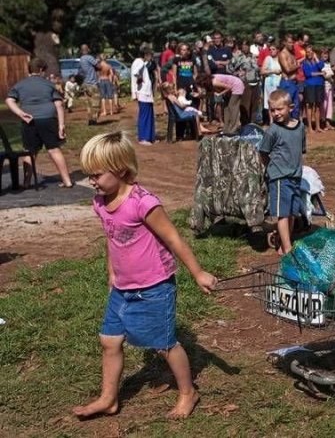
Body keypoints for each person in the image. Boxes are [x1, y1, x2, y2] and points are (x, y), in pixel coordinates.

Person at [71, 131, 218, 420]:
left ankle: (189, 392)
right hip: (122, 287)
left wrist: (198, 272)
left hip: (154, 287)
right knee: (109, 340)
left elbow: (174, 238)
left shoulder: (143, 202)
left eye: (97, 174)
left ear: (122, 170)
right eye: (89, 175)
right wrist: (111, 270)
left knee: (163, 344)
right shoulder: (101, 202)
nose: (92, 181)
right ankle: (109, 398)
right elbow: (111, 238)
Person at [4, 58, 74, 188]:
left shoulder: (20, 84)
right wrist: (61, 125)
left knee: (30, 151)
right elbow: (59, 104)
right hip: (48, 119)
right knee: (54, 150)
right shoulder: (49, 84)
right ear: (41, 70)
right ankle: (67, 181)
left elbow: (9, 100)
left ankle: (26, 182)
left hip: (29, 120)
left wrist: (20, 113)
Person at [258, 90, 306, 255]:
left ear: (290, 107)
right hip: (279, 178)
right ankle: (287, 248)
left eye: (280, 109)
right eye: (272, 110)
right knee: (282, 214)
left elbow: (301, 150)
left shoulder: (300, 127)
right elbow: (263, 152)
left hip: (295, 176)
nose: (276, 113)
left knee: (292, 213)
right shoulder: (273, 131)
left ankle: (284, 244)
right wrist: (272, 168)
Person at [131, 47, 157, 145]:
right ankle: (144, 138)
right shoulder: (140, 62)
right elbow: (135, 72)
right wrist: (140, 78)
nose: (151, 57)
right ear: (146, 55)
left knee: (148, 114)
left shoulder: (138, 62)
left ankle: (150, 137)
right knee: (145, 115)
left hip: (145, 92)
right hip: (143, 92)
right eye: (150, 55)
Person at [301, 44, 326, 132]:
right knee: (310, 105)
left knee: (318, 106)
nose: (309, 53)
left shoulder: (317, 61)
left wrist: (316, 58)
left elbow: (321, 66)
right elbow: (308, 74)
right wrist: (320, 74)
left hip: (319, 84)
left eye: (311, 51)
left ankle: (318, 126)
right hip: (310, 85)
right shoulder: (304, 63)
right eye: (307, 52)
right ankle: (310, 127)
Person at [277, 34, 302, 120]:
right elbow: (287, 69)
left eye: (293, 43)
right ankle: (286, 128)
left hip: (294, 83)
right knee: (286, 106)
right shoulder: (283, 54)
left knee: (295, 107)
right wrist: (297, 65)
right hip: (287, 83)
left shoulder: (291, 53)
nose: (292, 44)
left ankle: (294, 126)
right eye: (290, 42)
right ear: (285, 43)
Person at [78, 44, 100, 125]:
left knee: (88, 104)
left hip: (85, 84)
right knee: (96, 103)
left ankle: (90, 120)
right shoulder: (89, 57)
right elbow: (98, 66)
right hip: (92, 83)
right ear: (87, 49)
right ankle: (94, 120)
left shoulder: (81, 59)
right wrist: (98, 60)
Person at [260, 44, 282, 125]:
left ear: (277, 50)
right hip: (270, 83)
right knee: (271, 102)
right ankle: (271, 121)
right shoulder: (268, 59)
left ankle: (279, 120)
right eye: (270, 49)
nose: (271, 51)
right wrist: (273, 71)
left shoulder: (280, 59)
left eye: (273, 49)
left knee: (279, 102)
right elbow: (262, 71)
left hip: (279, 83)